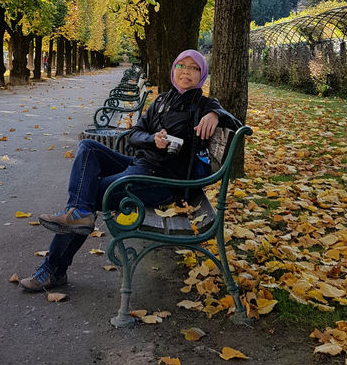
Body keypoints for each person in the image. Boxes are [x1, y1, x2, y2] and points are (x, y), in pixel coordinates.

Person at [20, 49, 240, 292]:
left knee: (90, 194)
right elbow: (135, 134)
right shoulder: (162, 100)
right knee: (88, 148)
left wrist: (216, 114)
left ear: (202, 74)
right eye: (181, 66)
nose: (186, 71)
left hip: (164, 181)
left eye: (193, 68)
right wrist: (152, 140)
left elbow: (239, 126)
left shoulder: (204, 104)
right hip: (141, 165)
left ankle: (53, 268)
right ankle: (78, 212)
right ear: (173, 69)